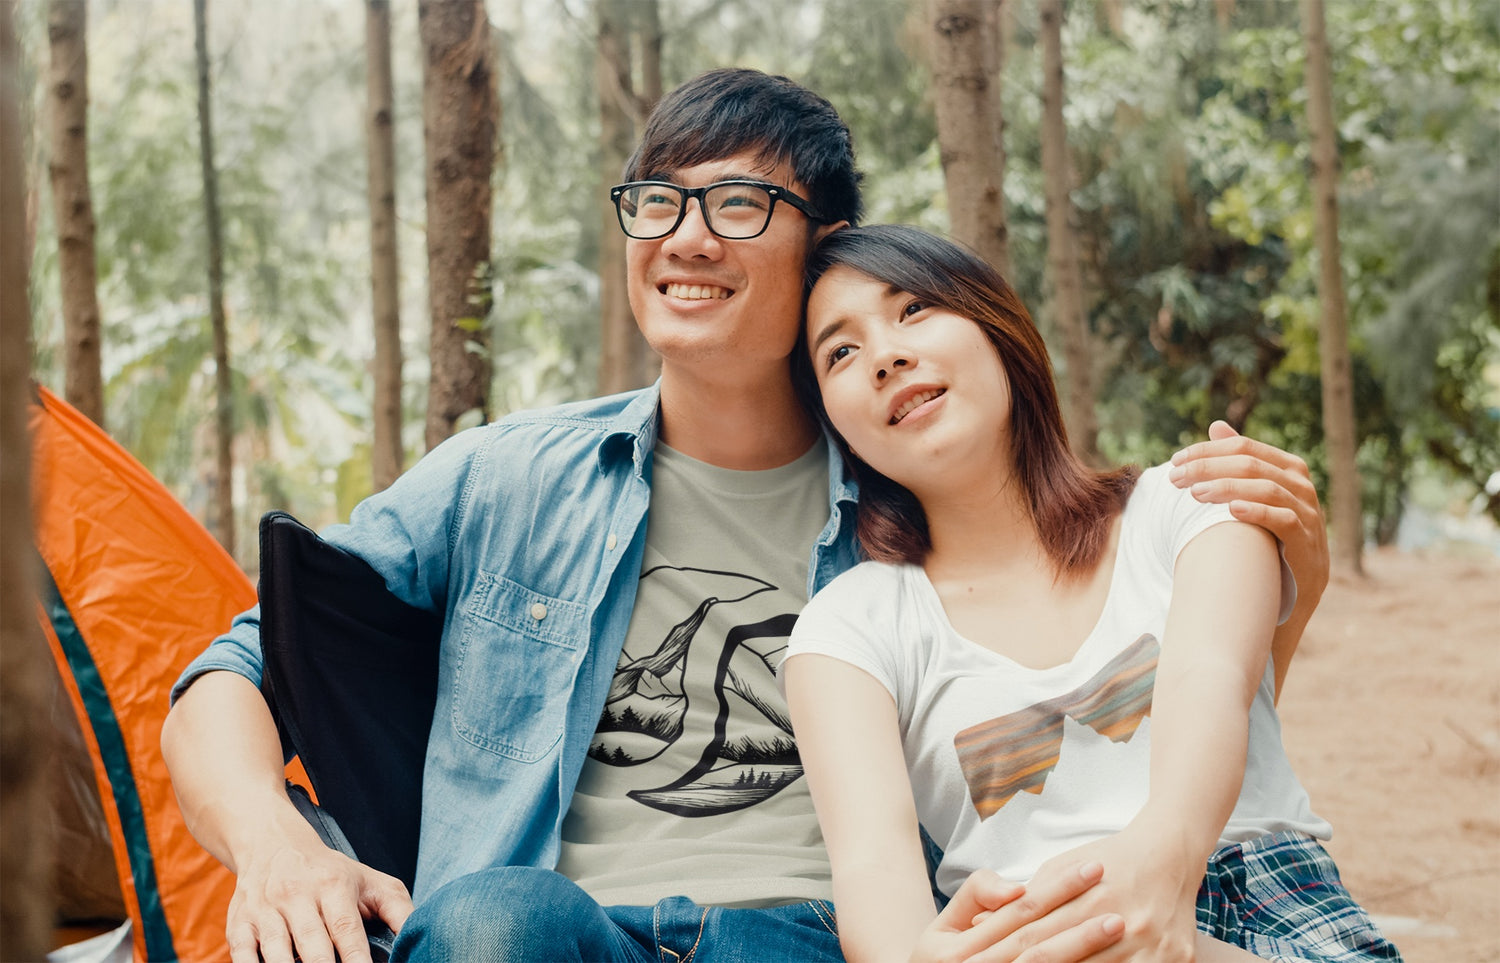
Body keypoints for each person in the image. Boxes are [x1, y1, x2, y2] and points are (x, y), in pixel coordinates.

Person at [161, 70, 1333, 963]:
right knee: (493, 922)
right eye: (657, 200)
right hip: (557, 930)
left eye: (735, 202)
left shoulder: (912, 485)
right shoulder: (507, 478)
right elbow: (235, 669)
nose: (684, 237)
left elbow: (1099, 702)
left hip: (828, 933)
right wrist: (273, 846)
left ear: (825, 247)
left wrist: (1292, 587)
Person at [783, 224, 1402, 962]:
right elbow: (874, 872)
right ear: (836, 425)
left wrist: (1158, 867)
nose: (885, 355)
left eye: (913, 309)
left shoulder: (1192, 502)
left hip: (1260, 909)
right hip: (1030, 937)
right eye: (840, 352)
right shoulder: (845, 631)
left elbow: (1213, 677)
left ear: (998, 330)